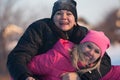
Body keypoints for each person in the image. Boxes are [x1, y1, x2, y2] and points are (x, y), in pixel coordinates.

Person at [7, 0, 111, 80]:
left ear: (75, 20)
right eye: (59, 13)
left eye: (69, 14)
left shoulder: (82, 33)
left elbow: (105, 62)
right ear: (52, 17)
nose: (63, 17)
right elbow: (18, 56)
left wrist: (79, 76)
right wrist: (25, 76)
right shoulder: (40, 28)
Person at [27, 30, 120, 80]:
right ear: (81, 44)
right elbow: (24, 68)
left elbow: (115, 73)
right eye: (88, 46)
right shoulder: (56, 58)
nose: (91, 52)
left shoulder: (95, 69)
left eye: (97, 51)